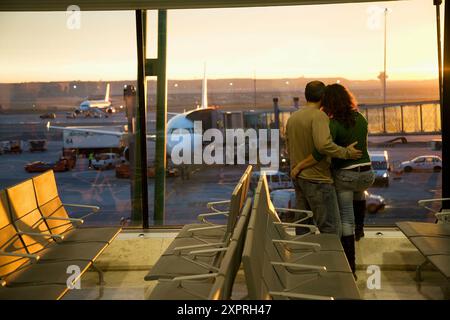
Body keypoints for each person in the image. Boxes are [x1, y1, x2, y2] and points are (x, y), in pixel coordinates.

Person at [291, 83, 375, 277]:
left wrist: (299, 166)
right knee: (358, 192)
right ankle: (360, 228)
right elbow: (359, 144)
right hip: (366, 174)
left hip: (342, 174)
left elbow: (321, 150)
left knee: (344, 220)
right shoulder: (361, 118)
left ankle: (348, 269)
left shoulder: (330, 123)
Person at [285, 81, 362, 236]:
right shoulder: (319, 116)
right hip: (318, 180)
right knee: (331, 229)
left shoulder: (293, 118)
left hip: (299, 178)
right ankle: (330, 260)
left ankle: (306, 258)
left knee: (303, 227)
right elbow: (323, 146)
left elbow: (289, 148)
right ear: (323, 96)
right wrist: (346, 152)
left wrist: (297, 167)